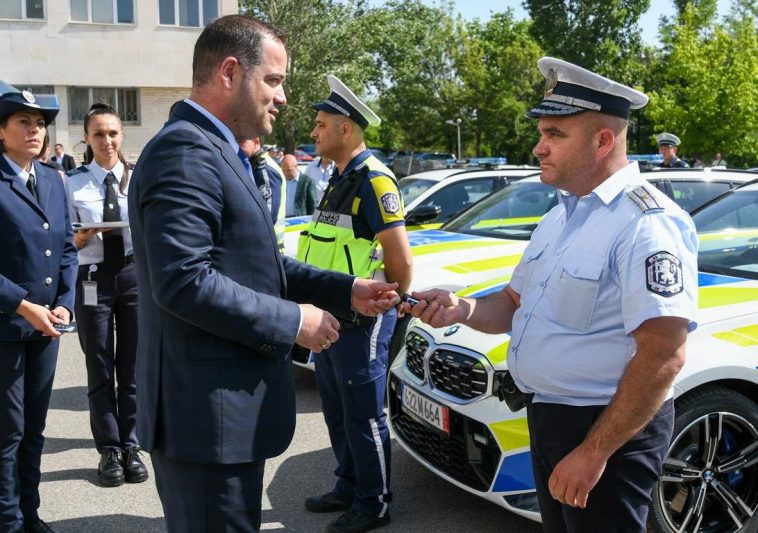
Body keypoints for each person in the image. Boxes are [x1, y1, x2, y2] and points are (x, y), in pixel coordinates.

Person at [127, 15, 399, 533]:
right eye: (273, 80)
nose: (283, 97)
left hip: (222, 418)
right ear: (230, 72)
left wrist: (347, 289)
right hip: (207, 422)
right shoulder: (186, 151)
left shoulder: (216, 149)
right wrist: (294, 321)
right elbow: (184, 281)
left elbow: (258, 265)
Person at [402, 57, 698, 532]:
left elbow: (664, 354)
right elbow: (513, 304)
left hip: (606, 433)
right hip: (550, 418)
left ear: (603, 141)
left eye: (554, 135)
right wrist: (460, 309)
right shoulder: (561, 215)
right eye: (541, 133)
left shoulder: (647, 223)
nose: (538, 147)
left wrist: (593, 453)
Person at [299, 75, 413, 533]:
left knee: (364, 413)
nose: (314, 132)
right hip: (332, 315)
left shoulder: (374, 180)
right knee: (337, 407)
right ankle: (348, 485)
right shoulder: (338, 178)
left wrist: (388, 306)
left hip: (362, 320)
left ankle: (374, 502)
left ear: (345, 129)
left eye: (321, 124)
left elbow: (400, 261)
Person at [0, 82, 77, 533]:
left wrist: (64, 303)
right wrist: (22, 305)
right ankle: (9, 521)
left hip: (47, 327)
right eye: (23, 122)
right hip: (7, 327)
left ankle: (30, 514)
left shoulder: (51, 179)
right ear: (1, 131)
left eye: (40, 123)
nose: (35, 130)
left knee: (34, 429)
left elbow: (66, 249)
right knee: (7, 432)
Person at [65, 103, 148, 488]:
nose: (107, 141)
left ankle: (131, 445)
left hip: (132, 277)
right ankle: (109, 449)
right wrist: (79, 239)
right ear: (86, 138)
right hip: (92, 280)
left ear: (122, 135)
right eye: (98, 134)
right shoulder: (72, 182)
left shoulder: (139, 179)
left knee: (131, 367)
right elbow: (62, 238)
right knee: (99, 366)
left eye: (113, 133)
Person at [244, 137, 286, 250]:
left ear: (256, 142)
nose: (237, 145)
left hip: (267, 248)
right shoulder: (254, 164)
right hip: (265, 246)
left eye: (242, 141)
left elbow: (267, 215)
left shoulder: (264, 168)